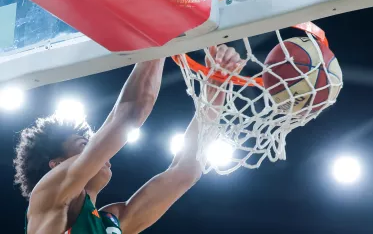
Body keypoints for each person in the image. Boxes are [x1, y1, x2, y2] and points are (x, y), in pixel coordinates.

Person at [14, 45, 244, 234]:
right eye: (85, 145)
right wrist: (160, 38)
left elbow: (185, 171)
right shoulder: (47, 195)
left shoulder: (110, 222)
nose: (102, 152)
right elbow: (130, 113)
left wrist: (216, 87)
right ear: (55, 165)